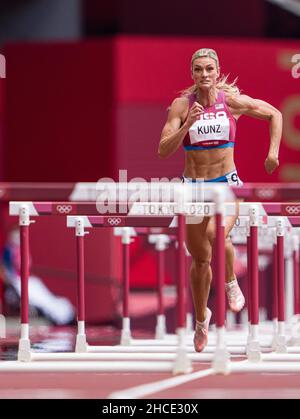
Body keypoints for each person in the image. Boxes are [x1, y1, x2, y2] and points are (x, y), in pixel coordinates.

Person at [158, 48, 282, 352]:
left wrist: (273, 152)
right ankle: (201, 320)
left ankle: (230, 282)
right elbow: (162, 149)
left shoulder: (232, 103)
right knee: (199, 260)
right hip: (194, 189)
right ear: (192, 73)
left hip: (227, 184)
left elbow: (274, 114)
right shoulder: (181, 106)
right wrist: (187, 126)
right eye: (198, 69)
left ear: (217, 71)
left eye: (209, 69)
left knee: (216, 233)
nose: (204, 75)